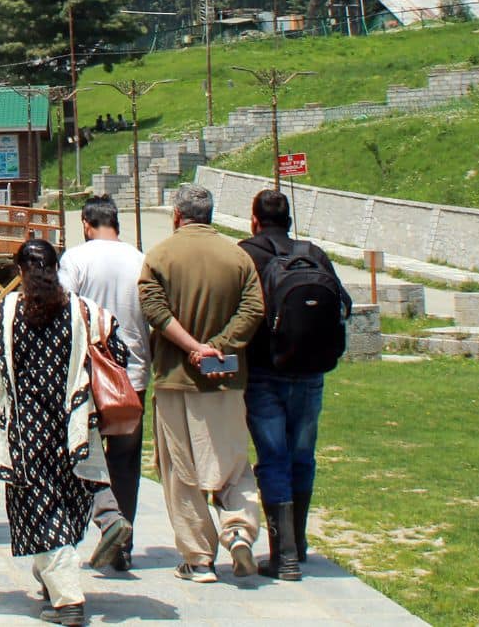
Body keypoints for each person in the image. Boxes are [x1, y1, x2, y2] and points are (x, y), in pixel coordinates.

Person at [0, 238, 110, 627]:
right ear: (56, 267)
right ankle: (53, 578)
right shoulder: (82, 311)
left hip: (26, 434)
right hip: (72, 429)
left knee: (42, 510)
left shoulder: (9, 312)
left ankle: (69, 602)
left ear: (21, 271)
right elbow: (118, 350)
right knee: (66, 505)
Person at [137, 184, 265, 583]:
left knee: (181, 472)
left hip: (176, 379)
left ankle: (198, 558)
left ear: (177, 216)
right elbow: (254, 309)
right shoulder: (238, 256)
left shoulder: (159, 256)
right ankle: (239, 531)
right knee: (234, 465)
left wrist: (194, 348)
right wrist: (218, 347)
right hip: (227, 379)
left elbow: (154, 309)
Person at [239, 188, 349, 581]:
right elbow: (343, 304)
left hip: (264, 371)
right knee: (303, 455)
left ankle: (282, 554)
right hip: (311, 371)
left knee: (273, 457)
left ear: (255, 220)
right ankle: (298, 543)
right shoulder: (313, 253)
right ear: (288, 221)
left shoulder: (247, 254)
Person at [58, 197, 149, 572]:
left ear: (85, 223)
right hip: (132, 374)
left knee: (83, 455)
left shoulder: (76, 259)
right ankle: (123, 544)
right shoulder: (140, 259)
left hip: (88, 374)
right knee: (126, 460)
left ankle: (85, 532)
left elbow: (64, 310)